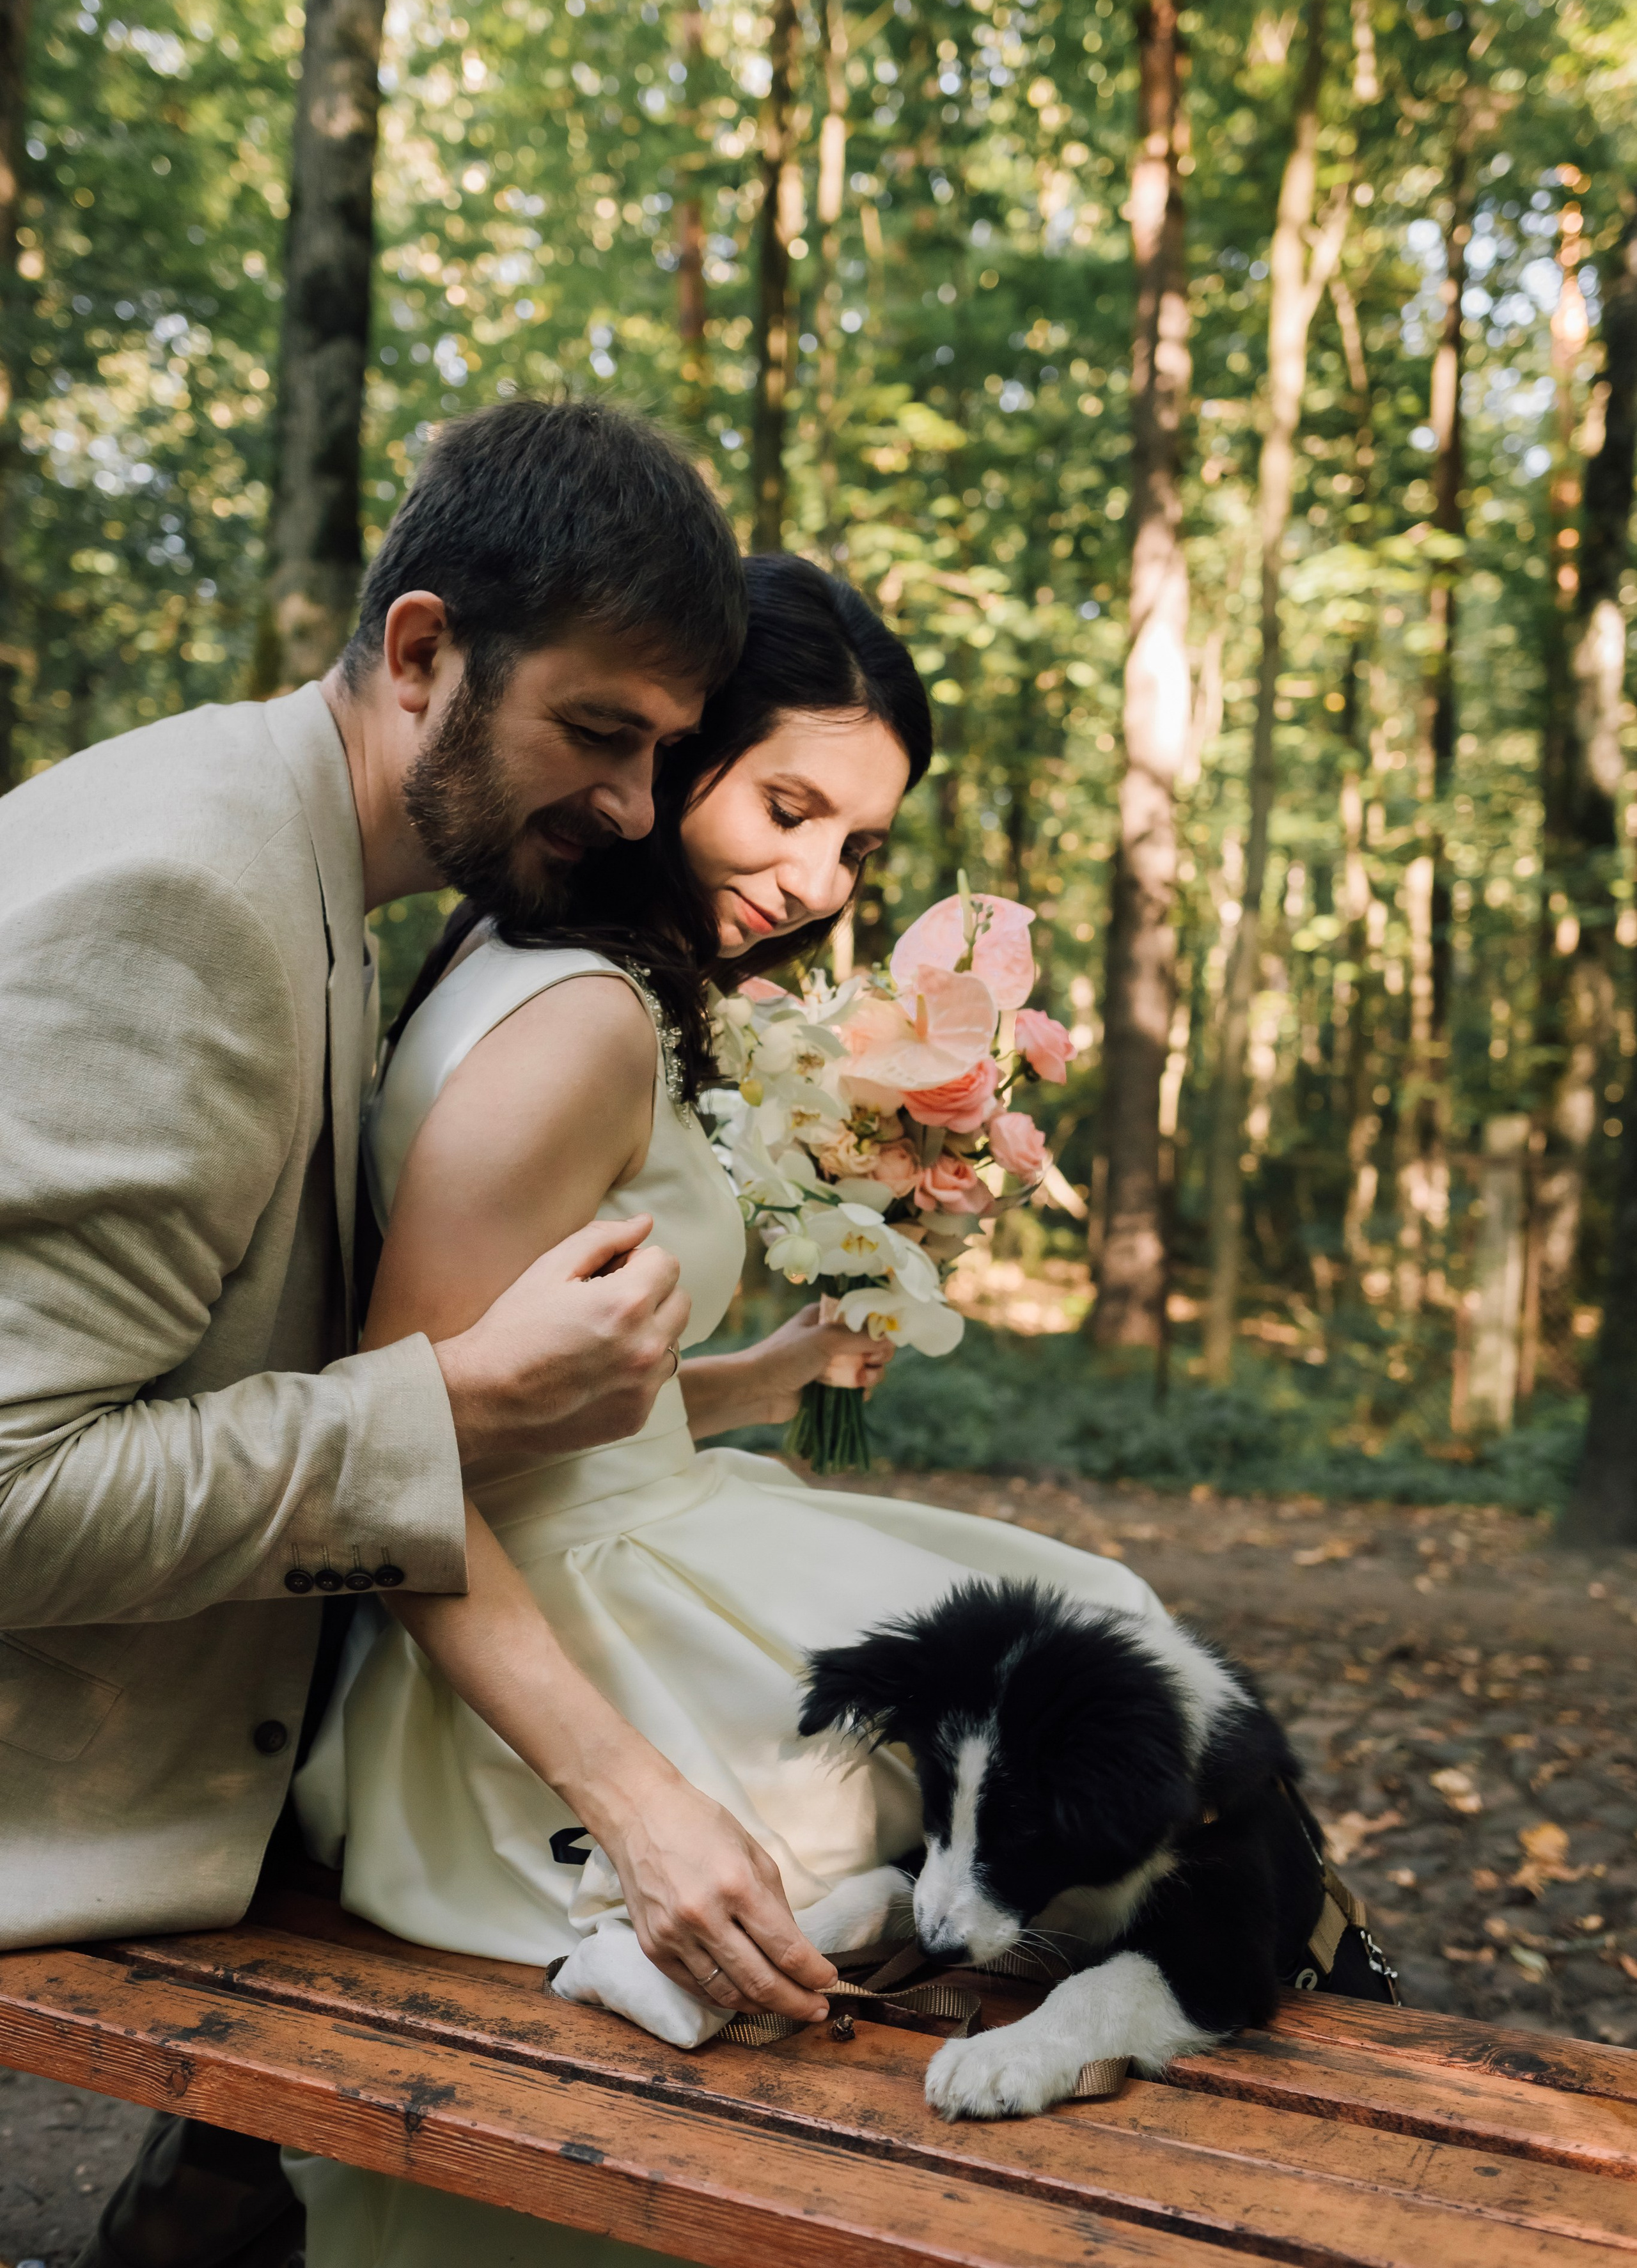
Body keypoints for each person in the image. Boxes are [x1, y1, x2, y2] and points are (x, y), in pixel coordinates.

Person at [0, 399, 836, 2268]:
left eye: (665, 752)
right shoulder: (186, 898)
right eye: (597, 734)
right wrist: (444, 1406)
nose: (635, 810)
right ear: (422, 650)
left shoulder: (302, 848)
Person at [287, 553, 1167, 2265]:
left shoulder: (579, 979)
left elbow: (521, 1397)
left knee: (1076, 1655)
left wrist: (763, 1379)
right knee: (1065, 1699)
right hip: (521, 1643)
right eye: (788, 807)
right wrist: (636, 1801)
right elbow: (396, 1465)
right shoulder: (581, 1026)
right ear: (676, 753)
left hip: (623, 1529)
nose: (817, 881)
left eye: (860, 847)